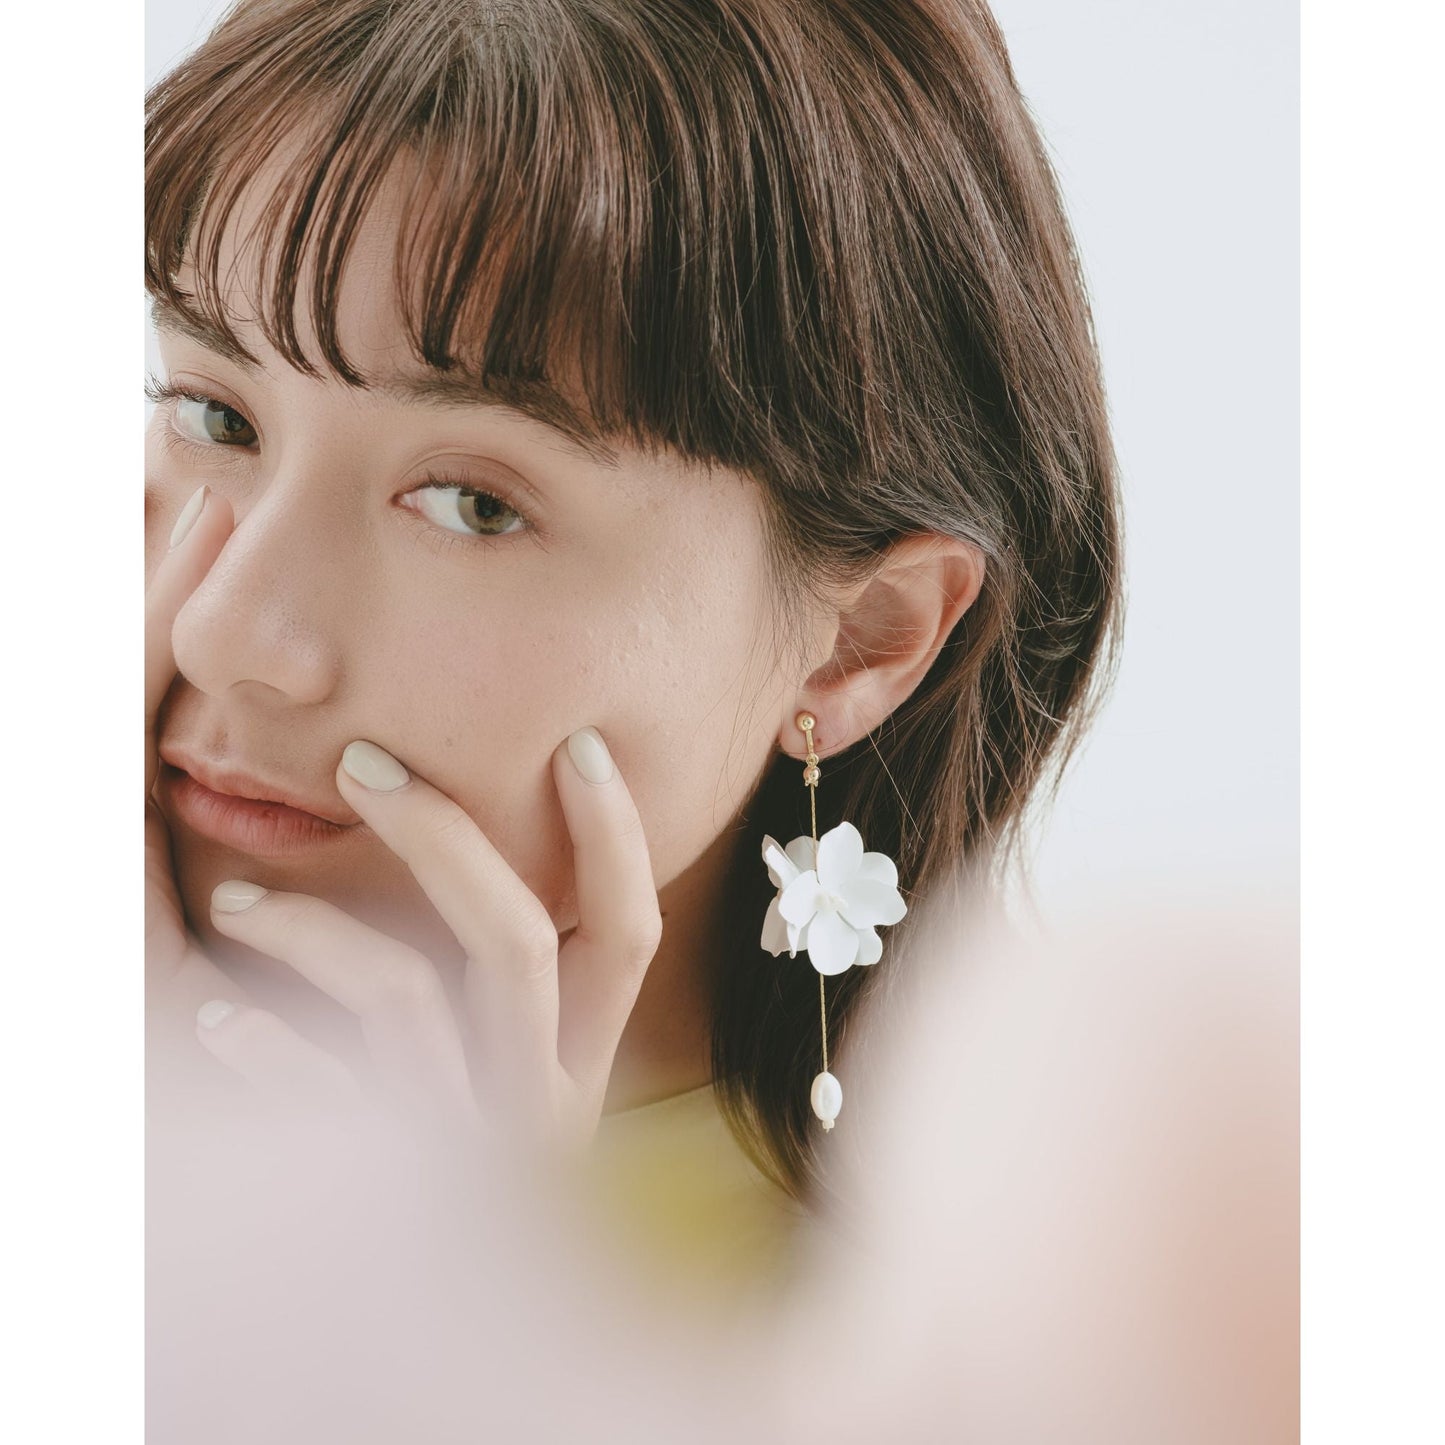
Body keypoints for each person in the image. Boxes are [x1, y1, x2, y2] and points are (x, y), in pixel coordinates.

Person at [144, 0, 1123, 1302]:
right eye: (214, 415)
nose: (224, 630)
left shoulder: (948, 1334)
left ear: (860, 641)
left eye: (472, 504)